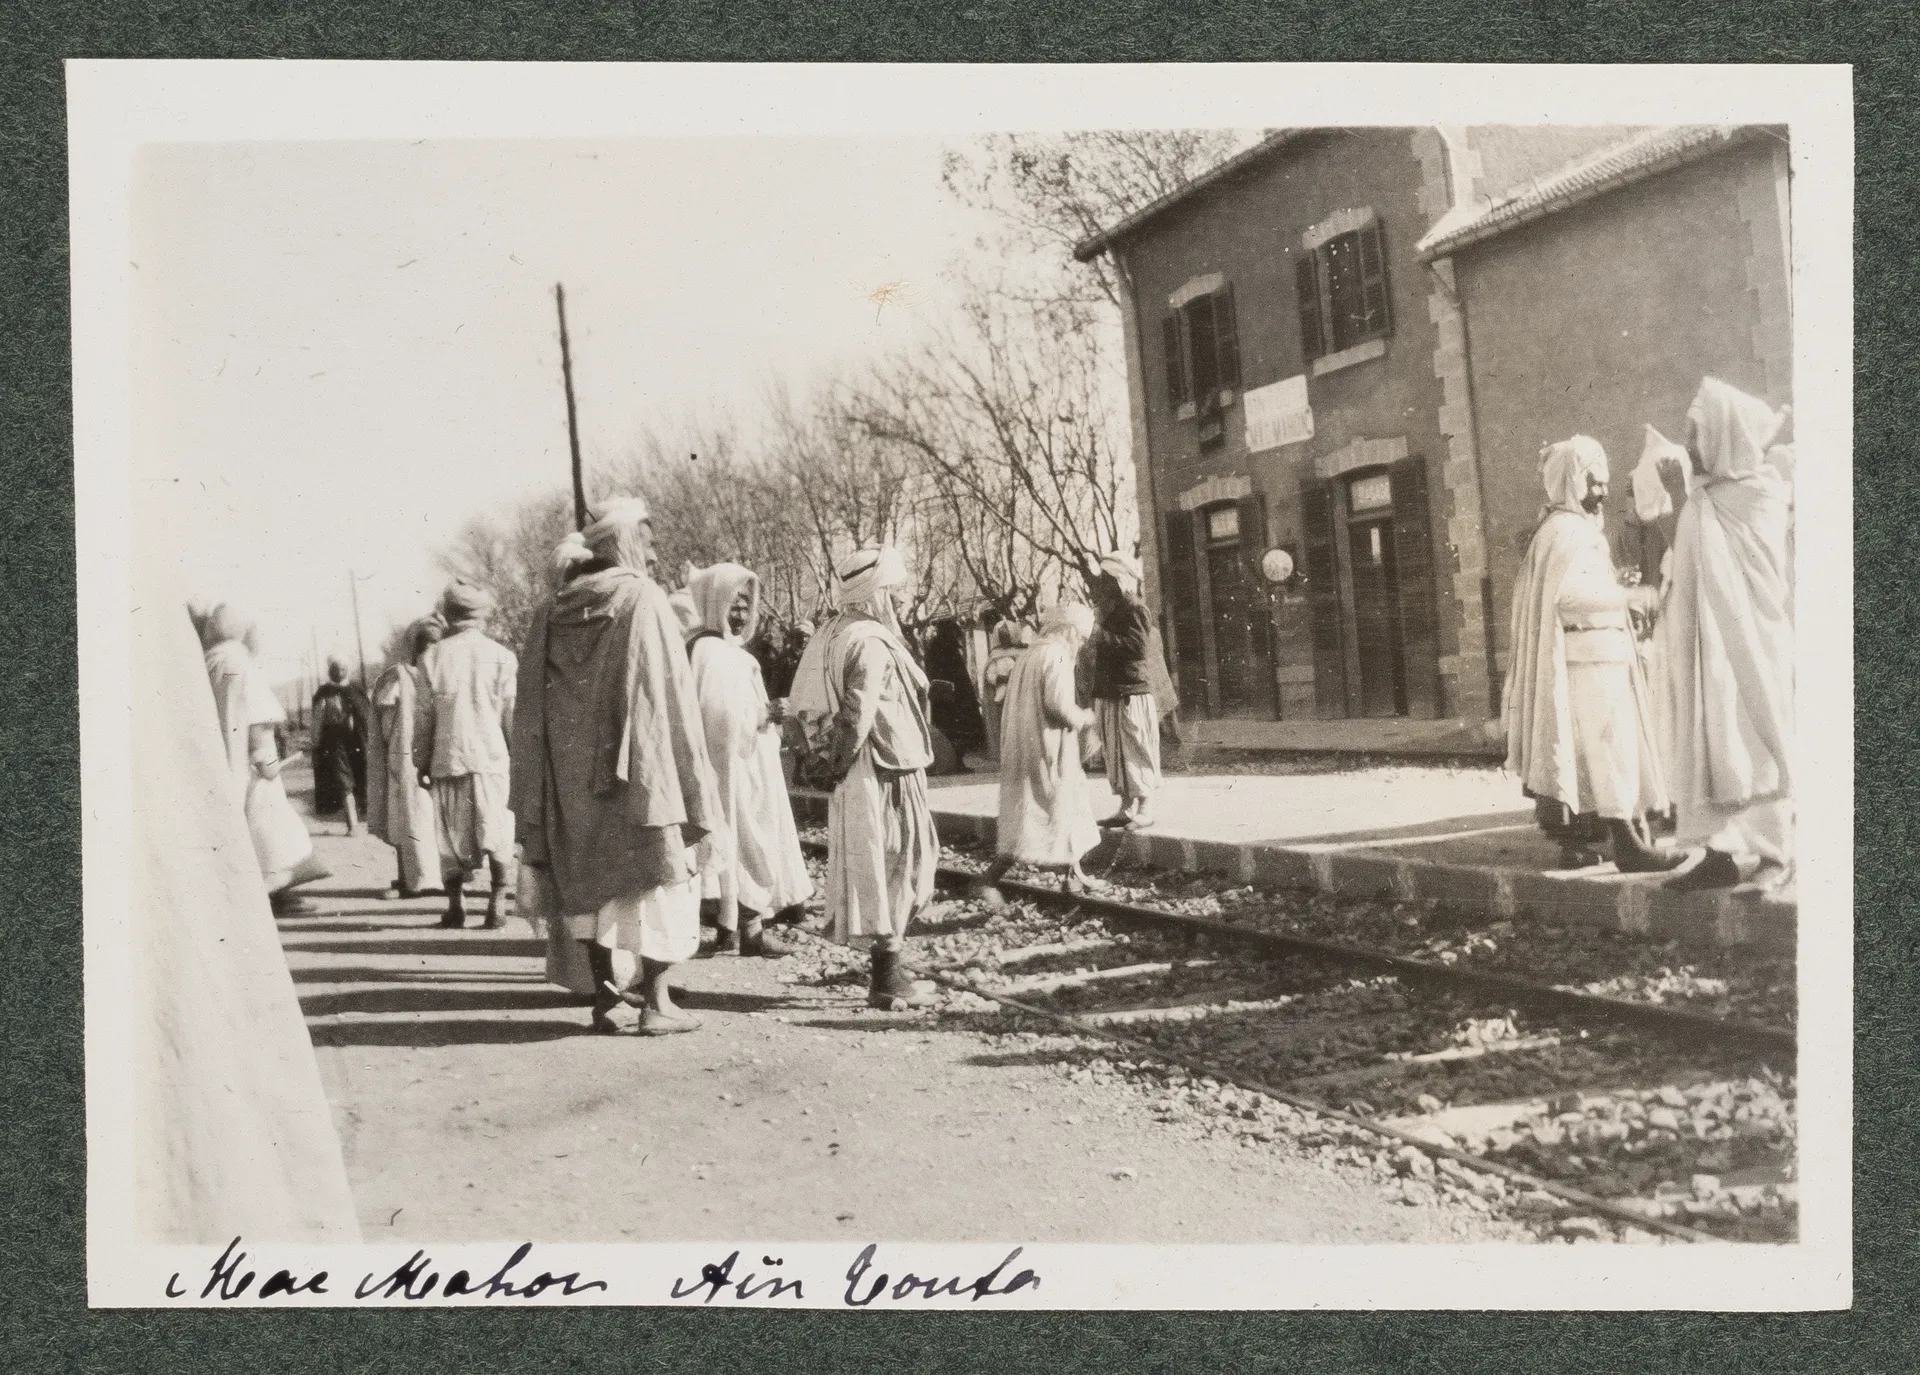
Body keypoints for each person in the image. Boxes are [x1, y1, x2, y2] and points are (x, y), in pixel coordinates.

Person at [510, 497, 723, 1035]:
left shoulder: (551, 609)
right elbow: (665, 696)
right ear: (628, 541)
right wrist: (688, 775)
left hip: (570, 779)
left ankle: (606, 1002)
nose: (653, 555)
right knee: (654, 883)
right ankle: (656, 1003)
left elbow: (530, 707)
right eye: (648, 543)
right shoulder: (642, 600)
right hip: (636, 774)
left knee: (588, 886)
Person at [1504, 436, 1679, 873]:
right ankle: (1627, 846)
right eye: (1593, 483)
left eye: (1603, 484)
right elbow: (1569, 596)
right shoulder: (1565, 530)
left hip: (1602, 652)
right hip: (1588, 659)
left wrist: (1619, 595)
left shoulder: (1570, 529)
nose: (1601, 492)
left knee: (1600, 751)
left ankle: (1611, 839)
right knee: (1608, 750)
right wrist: (1629, 596)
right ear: (1569, 482)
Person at [1656, 379, 1795, 891]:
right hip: (1709, 652)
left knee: (1757, 741)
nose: (1690, 445)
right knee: (1712, 742)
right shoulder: (1701, 500)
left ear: (1725, 435)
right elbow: (1688, 573)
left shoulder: (1760, 493)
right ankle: (1717, 853)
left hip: (1752, 647)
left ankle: (1775, 855)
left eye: (1698, 434)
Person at [791, 545, 939, 1011]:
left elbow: (802, 709)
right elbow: (858, 712)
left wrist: (824, 765)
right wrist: (839, 761)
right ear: (877, 593)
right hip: (883, 768)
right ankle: (888, 979)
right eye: (894, 591)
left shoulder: (830, 634)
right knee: (900, 865)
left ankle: (888, 972)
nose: (900, 600)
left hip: (855, 768)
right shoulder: (870, 640)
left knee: (879, 867)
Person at [686, 562, 812, 954]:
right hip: (729, 770)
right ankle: (748, 934)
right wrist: (764, 715)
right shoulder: (708, 652)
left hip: (750, 765)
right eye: (732, 605)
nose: (740, 614)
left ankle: (734, 930)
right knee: (739, 843)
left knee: (747, 842)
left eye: (745, 605)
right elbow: (717, 720)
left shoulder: (734, 653)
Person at [200, 603, 327, 915]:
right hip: (253, 767)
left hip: (222, 766)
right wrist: (266, 760)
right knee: (271, 828)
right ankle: (278, 894)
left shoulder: (208, 664)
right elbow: (258, 721)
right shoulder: (240, 663)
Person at [977, 602, 1102, 898]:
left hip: (1026, 745)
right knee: (1042, 812)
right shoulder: (1056, 655)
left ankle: (1074, 875)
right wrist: (1085, 718)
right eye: (1081, 638)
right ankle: (988, 880)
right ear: (1070, 631)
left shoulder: (1031, 652)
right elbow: (1058, 706)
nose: (1082, 645)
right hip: (1047, 748)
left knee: (1055, 808)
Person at [415, 581, 518, 930]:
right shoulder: (503, 656)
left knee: (450, 837)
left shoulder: (431, 658)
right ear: (483, 614)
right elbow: (511, 716)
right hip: (492, 759)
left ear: (448, 614)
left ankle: (456, 905)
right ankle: (498, 901)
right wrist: (516, 756)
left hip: (449, 757)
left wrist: (421, 759)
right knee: (497, 831)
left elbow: (424, 717)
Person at [365, 616, 444, 899]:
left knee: (407, 817)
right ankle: (430, 878)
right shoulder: (442, 675)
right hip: (432, 755)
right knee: (424, 817)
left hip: (406, 755)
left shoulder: (398, 677)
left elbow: (386, 724)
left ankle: (414, 880)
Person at [1088, 550, 1159, 830]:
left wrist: (1098, 636)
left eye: (1108, 579)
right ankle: (1127, 806)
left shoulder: (1136, 609)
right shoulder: (1113, 610)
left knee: (1136, 748)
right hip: (1112, 691)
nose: (1104, 585)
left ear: (1122, 579)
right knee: (1116, 750)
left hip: (1131, 690)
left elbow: (1137, 647)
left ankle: (1146, 806)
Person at [309, 658, 367, 834]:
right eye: (335, 669)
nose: (339, 672)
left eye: (342, 668)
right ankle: (352, 824)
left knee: (361, 777)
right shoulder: (324, 693)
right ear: (329, 671)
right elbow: (317, 720)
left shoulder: (356, 688)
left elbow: (367, 715)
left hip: (358, 741)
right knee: (344, 781)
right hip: (335, 742)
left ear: (346, 669)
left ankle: (365, 818)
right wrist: (316, 741)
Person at [980, 619, 1029, 764]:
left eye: (1007, 635)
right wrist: (1001, 679)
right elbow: (990, 676)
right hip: (1002, 696)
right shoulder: (995, 655)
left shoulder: (1024, 652)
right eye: (1003, 635)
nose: (1005, 638)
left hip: (1020, 696)